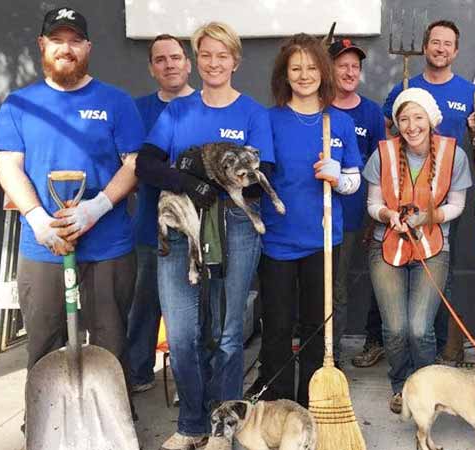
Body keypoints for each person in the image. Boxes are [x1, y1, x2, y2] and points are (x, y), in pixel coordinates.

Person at [0, 4, 143, 425]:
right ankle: (45, 421)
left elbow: (133, 164)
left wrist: (97, 207)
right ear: (42, 45)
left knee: (111, 340)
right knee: (44, 341)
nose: (66, 49)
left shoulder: (116, 102)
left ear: (88, 47)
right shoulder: (19, 104)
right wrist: (38, 218)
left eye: (75, 41)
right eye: (57, 40)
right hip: (43, 249)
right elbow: (8, 166)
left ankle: (113, 421)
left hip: (108, 246)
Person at [135, 22, 272, 450]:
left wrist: (213, 181)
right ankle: (191, 423)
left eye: (222, 55)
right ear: (197, 60)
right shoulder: (178, 112)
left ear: (236, 61)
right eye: (206, 55)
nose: (214, 63)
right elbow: (146, 164)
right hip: (181, 226)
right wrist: (186, 182)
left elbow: (263, 175)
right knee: (182, 334)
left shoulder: (252, 113)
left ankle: (223, 428)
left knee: (227, 334)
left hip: (235, 228)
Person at [257, 33, 362, 407]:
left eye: (312, 68)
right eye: (296, 68)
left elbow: (354, 180)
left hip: (323, 241)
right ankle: (278, 400)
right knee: (278, 325)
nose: (304, 75)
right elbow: (259, 176)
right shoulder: (268, 120)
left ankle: (311, 400)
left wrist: (338, 178)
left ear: (324, 72)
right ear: (284, 74)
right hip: (277, 241)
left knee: (318, 326)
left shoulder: (339, 122)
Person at [365, 87, 473, 414]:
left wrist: (428, 217)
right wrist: (388, 214)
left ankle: (426, 390)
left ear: (431, 119)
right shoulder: (383, 153)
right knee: (395, 329)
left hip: (433, 245)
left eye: (418, 117)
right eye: (404, 119)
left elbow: (457, 205)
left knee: (419, 328)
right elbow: (372, 203)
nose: (411, 126)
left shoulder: (454, 154)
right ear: (396, 123)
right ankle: (401, 385)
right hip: (387, 244)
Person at [382, 19, 475, 365]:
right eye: (435, 42)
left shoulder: (468, 92)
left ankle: (439, 347)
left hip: (445, 199)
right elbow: (389, 130)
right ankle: (397, 348)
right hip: (403, 199)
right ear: (425, 47)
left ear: (456, 50)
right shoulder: (404, 88)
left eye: (448, 43)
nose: (440, 48)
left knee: (438, 272)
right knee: (394, 269)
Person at [127, 33, 195, 394]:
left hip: (196, 229)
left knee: (193, 311)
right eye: (160, 60)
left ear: (188, 63)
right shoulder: (137, 111)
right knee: (143, 305)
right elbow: (130, 166)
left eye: (175, 57)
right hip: (149, 228)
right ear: (152, 68)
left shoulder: (206, 104)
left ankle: (192, 381)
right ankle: (138, 373)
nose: (169, 65)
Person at [327, 38, 387, 367]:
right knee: (323, 285)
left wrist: (375, 215)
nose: (350, 72)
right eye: (343, 66)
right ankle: (321, 351)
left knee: (341, 285)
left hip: (357, 214)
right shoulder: (317, 108)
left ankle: (335, 355)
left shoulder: (371, 113)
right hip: (319, 214)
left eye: (355, 66)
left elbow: (383, 165)